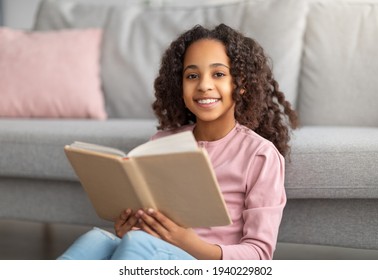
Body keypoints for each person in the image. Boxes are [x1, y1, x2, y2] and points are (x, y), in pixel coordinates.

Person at [58, 23, 298, 260]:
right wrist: (131, 229)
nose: (204, 85)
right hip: (152, 250)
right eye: (192, 75)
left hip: (205, 262)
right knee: (97, 239)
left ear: (241, 84)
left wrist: (189, 244)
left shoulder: (260, 155)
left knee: (139, 245)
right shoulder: (162, 142)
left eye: (219, 74)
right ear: (180, 86)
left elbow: (260, 255)